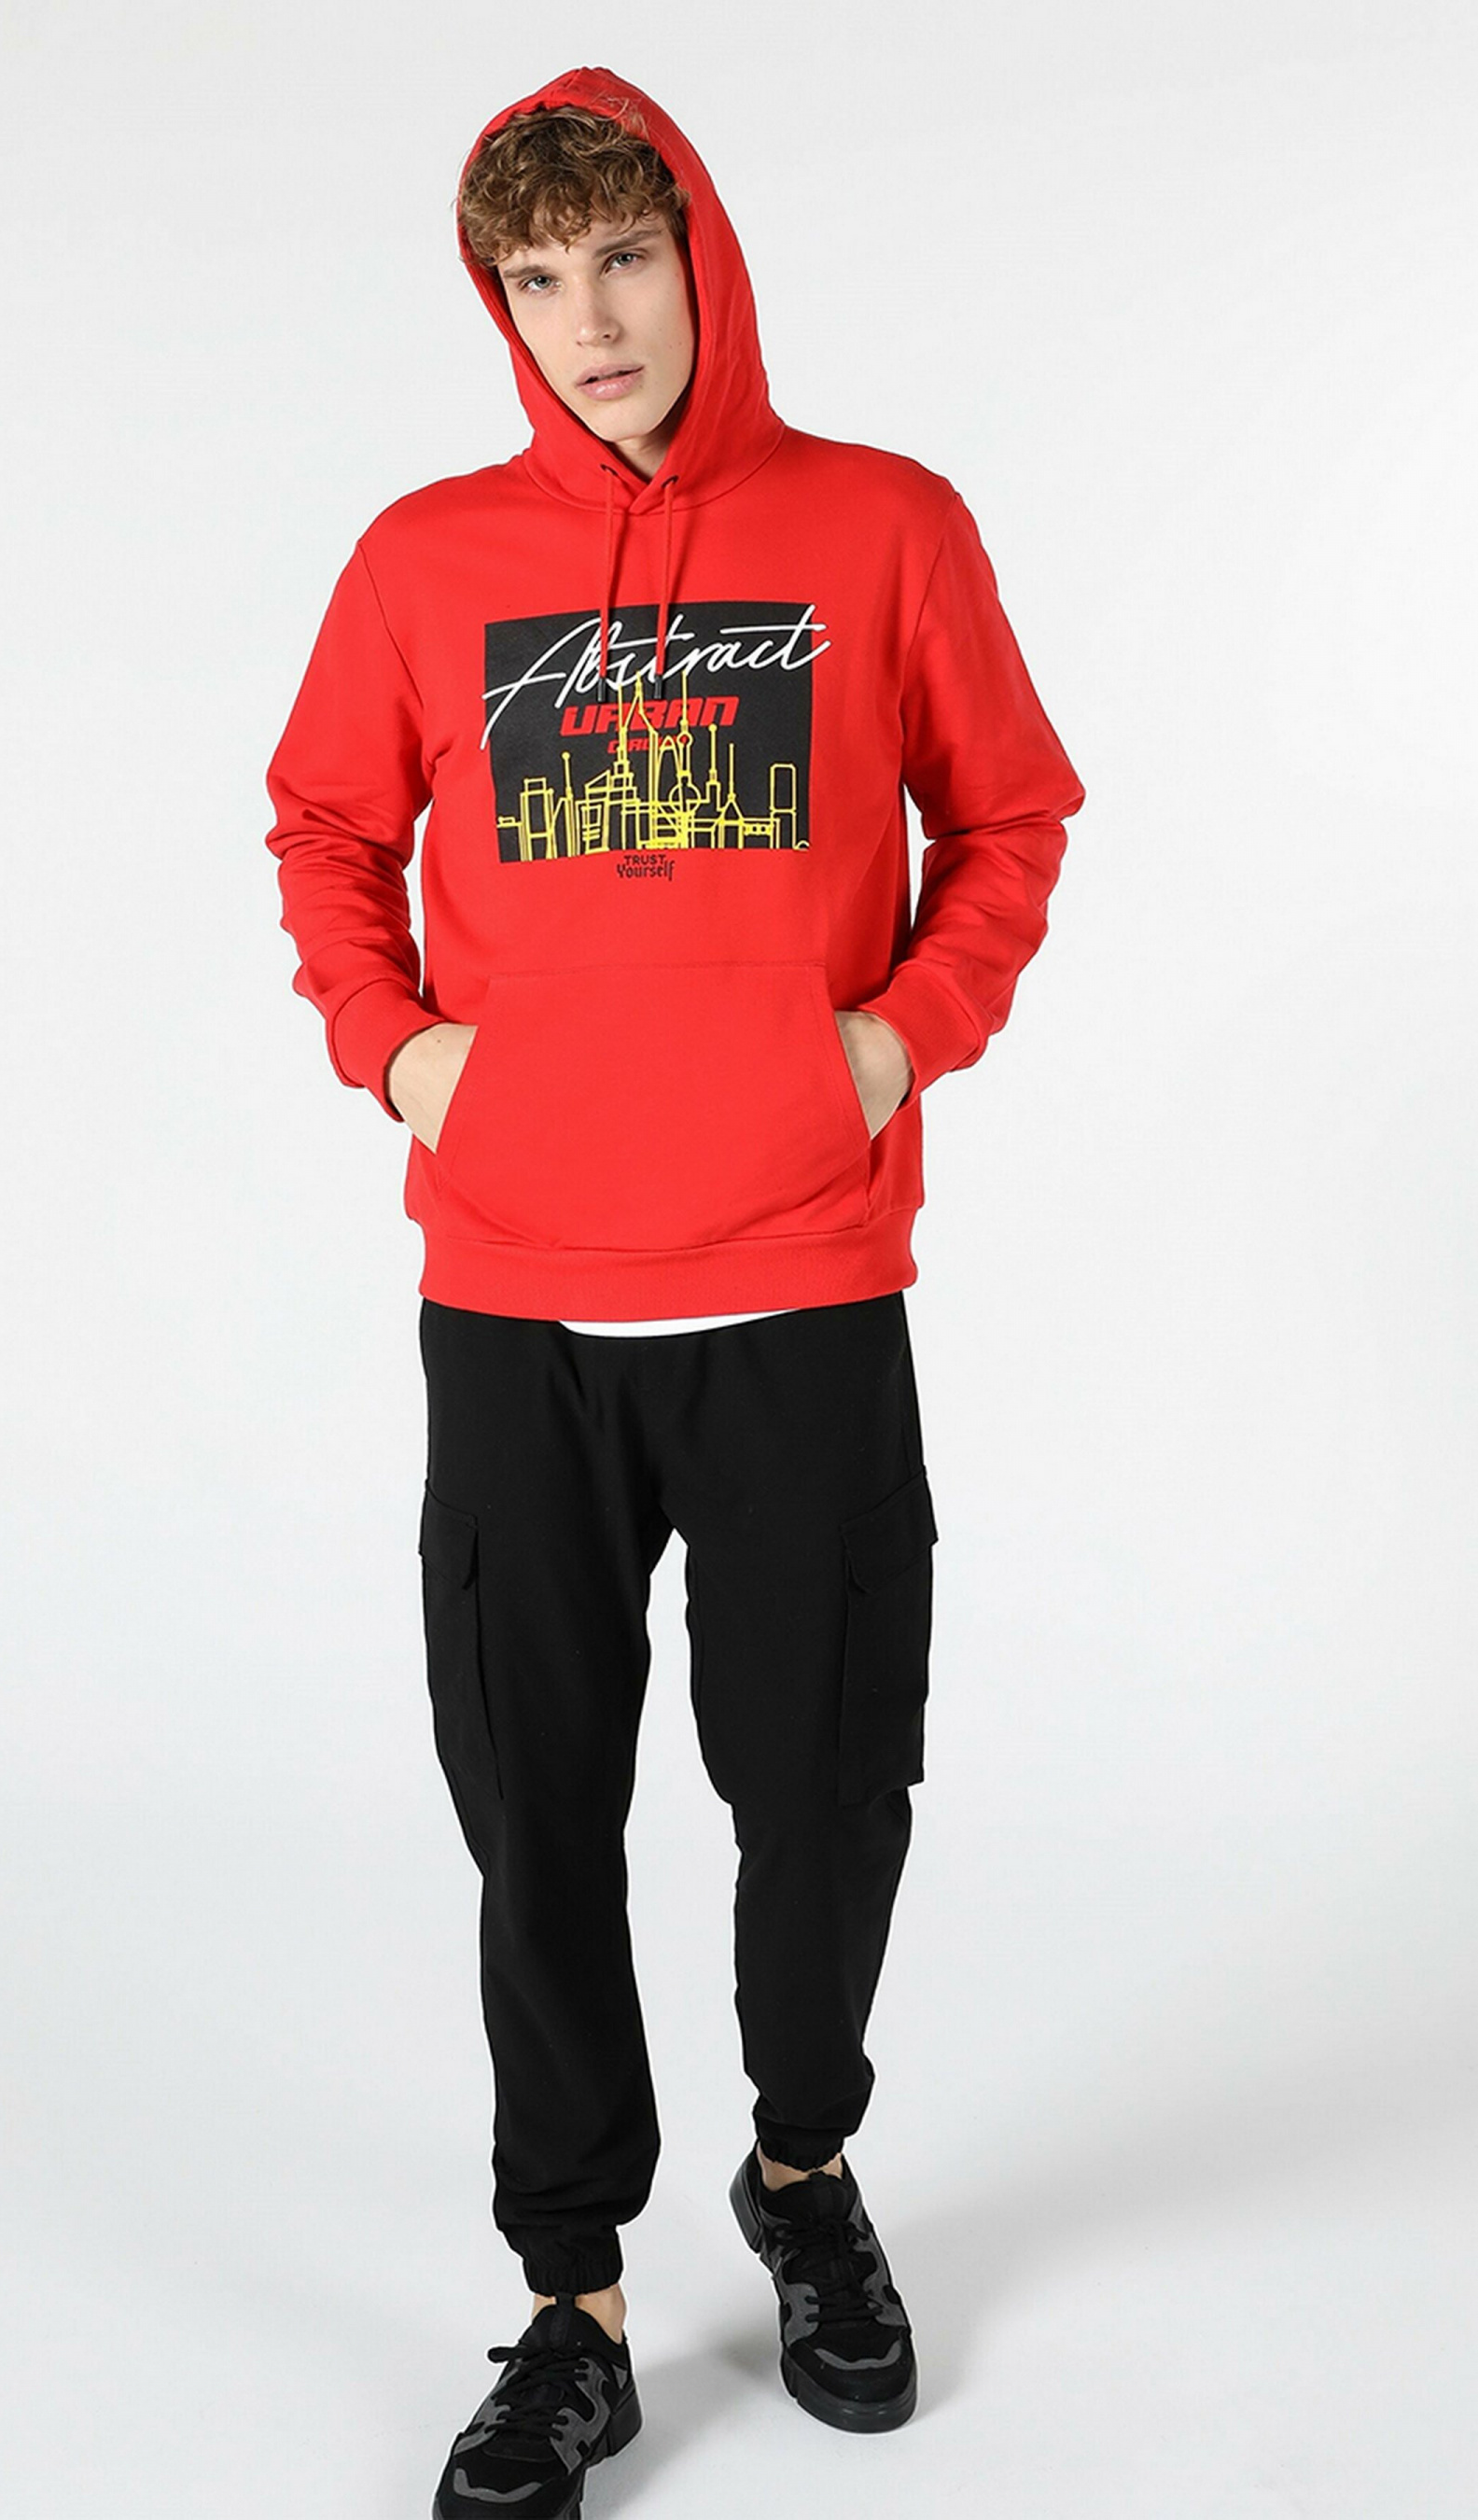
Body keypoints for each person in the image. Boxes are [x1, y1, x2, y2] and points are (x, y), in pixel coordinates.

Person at [264, 63, 1085, 2519]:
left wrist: (890, 1038)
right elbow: (323, 828)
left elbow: (1010, 815)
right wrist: (398, 1051)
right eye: (536, 279)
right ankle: (573, 2302)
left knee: (824, 1774)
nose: (588, 319)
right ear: (498, 304)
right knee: (535, 1803)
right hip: (518, 1290)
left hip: (800, 1272)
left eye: (624, 257)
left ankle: (803, 2173)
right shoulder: (425, 560)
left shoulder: (881, 526)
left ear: (700, 255)